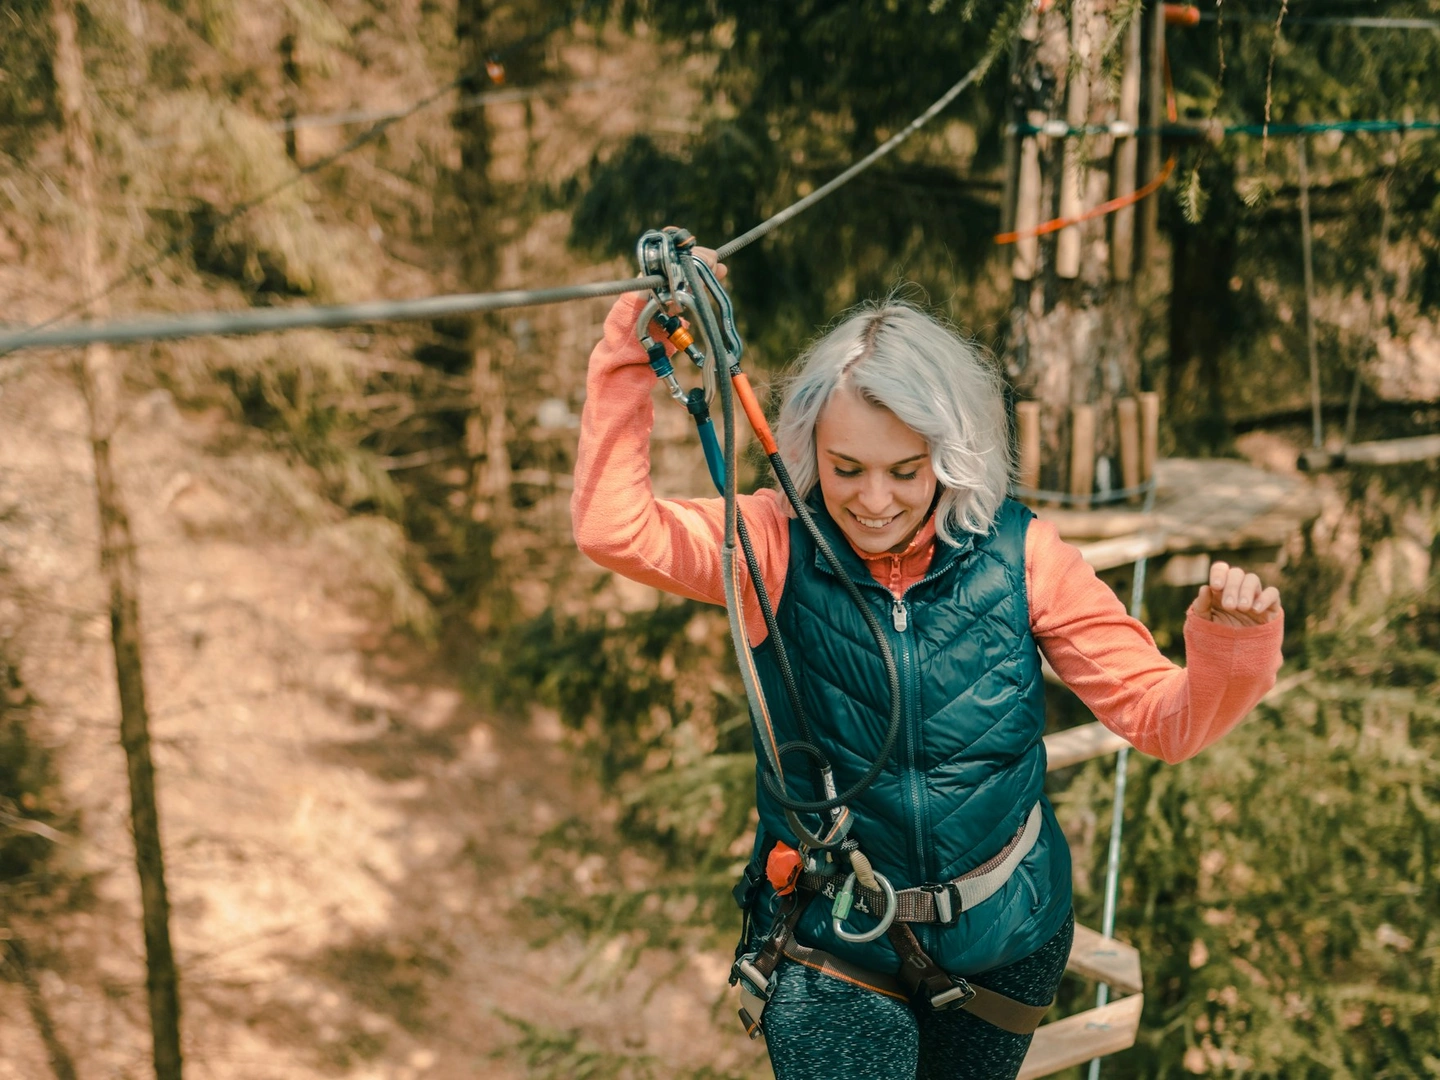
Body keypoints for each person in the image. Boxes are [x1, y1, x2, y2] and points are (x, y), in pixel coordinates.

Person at [570, 248, 1283, 1080]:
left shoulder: (1022, 556)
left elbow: (1168, 721)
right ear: (808, 451)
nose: (874, 500)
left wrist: (1230, 647)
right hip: (835, 932)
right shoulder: (771, 543)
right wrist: (633, 344)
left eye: (906, 471)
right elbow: (614, 530)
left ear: (951, 454)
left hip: (1005, 932)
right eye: (846, 470)